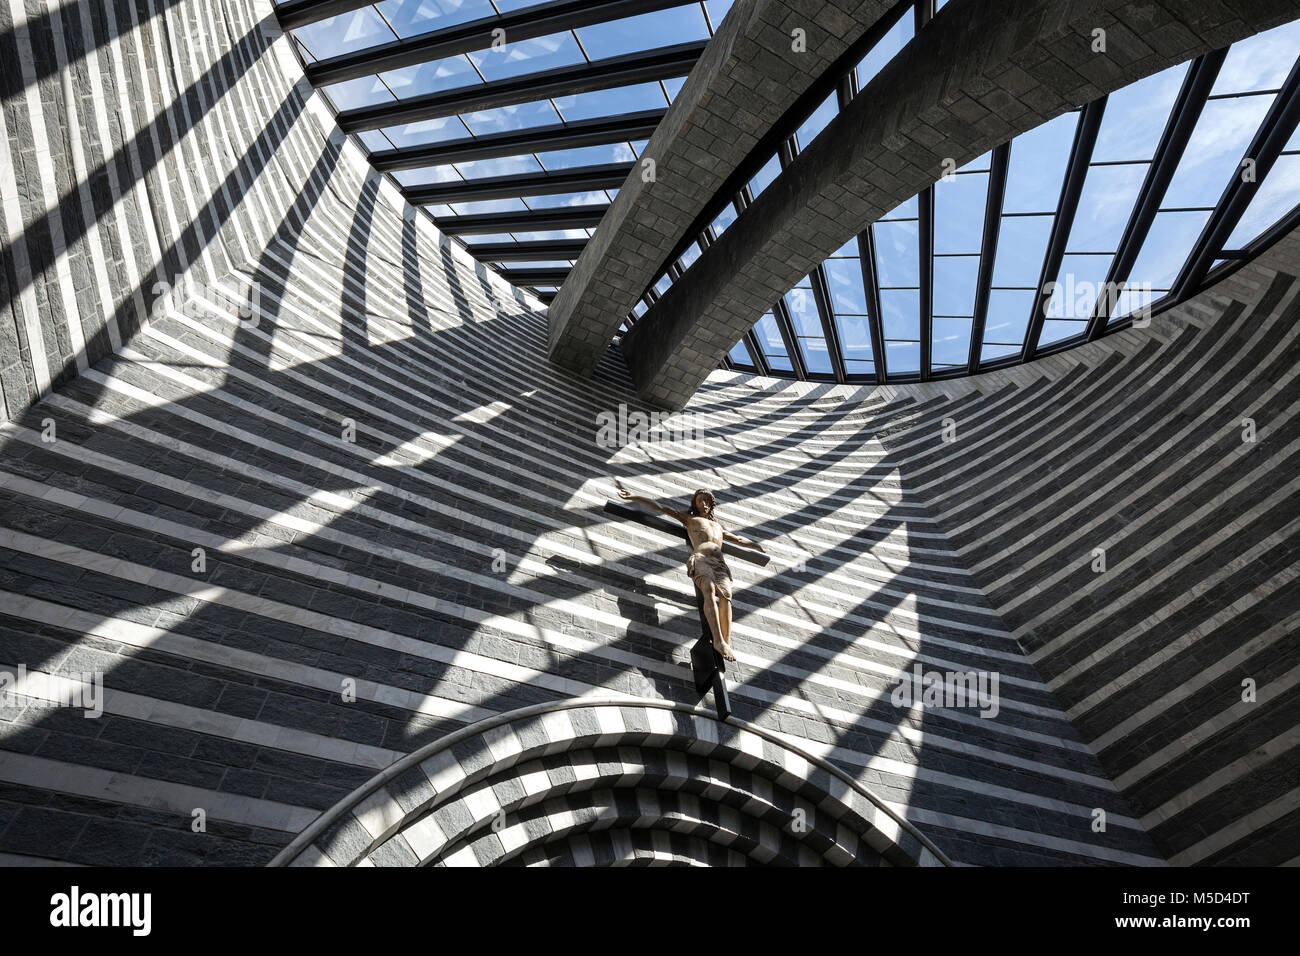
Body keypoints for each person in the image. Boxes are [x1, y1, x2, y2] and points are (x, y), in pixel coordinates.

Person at [617, 487, 764, 662]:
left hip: (719, 564)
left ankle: (726, 640)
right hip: (701, 557)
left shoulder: (718, 527)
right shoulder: (689, 518)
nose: (703, 503)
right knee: (708, 590)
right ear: (694, 504)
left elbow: (739, 539)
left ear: (711, 504)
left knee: (727, 596)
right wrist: (635, 496)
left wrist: (755, 545)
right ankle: (718, 641)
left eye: (706, 500)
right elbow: (661, 507)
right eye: (699, 500)